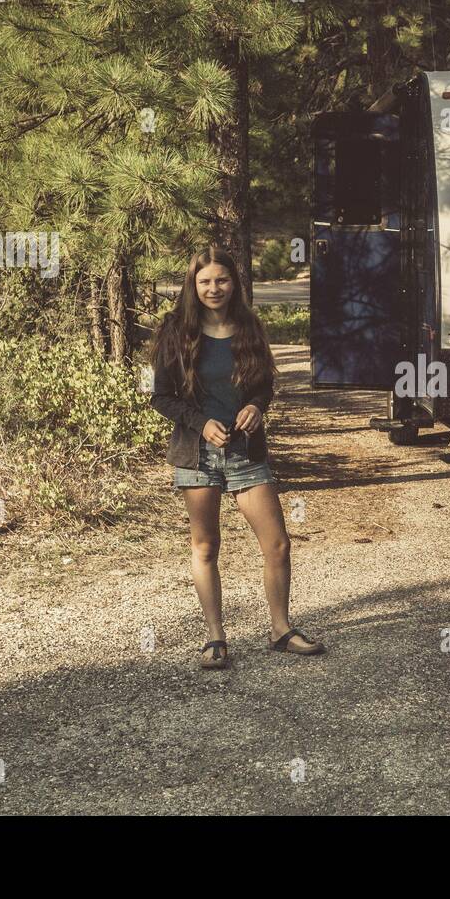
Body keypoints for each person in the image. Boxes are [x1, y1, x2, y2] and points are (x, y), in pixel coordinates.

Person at [147, 245, 325, 668]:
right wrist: (200, 422)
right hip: (198, 456)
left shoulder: (249, 326)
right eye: (205, 281)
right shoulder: (176, 330)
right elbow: (161, 397)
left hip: (247, 454)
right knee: (206, 547)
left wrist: (257, 407)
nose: (214, 288)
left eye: (222, 280)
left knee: (277, 544)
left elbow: (265, 385)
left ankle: (281, 628)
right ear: (193, 284)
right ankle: (215, 637)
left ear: (234, 283)